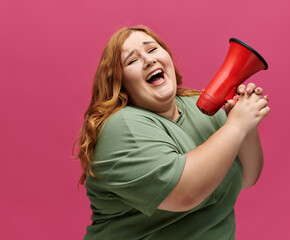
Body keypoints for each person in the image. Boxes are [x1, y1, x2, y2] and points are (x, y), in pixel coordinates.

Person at [74, 25, 270, 240]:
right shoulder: (121, 127)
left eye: (152, 50)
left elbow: (246, 177)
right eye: (132, 60)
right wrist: (236, 127)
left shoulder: (200, 107)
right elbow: (184, 194)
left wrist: (245, 126)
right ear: (120, 84)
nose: (149, 61)